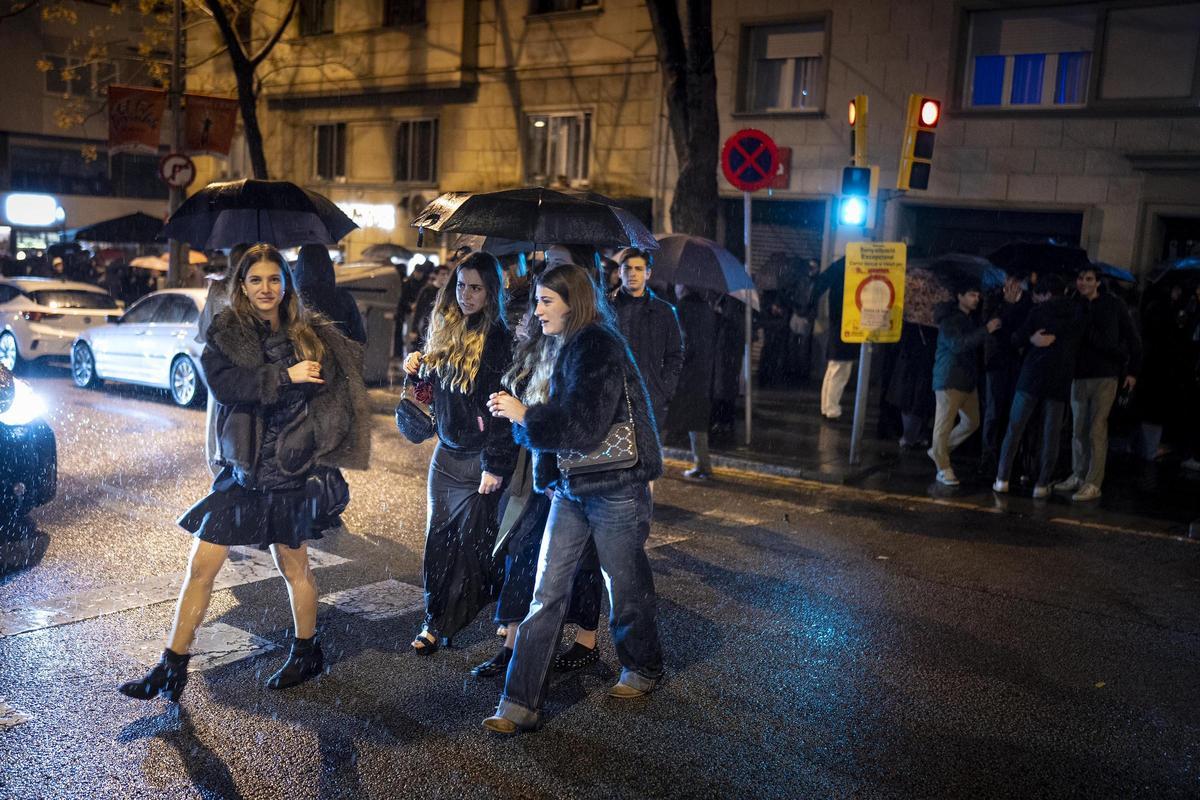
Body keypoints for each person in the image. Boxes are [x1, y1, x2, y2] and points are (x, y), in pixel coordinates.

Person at [117, 244, 370, 702]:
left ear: (286, 284)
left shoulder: (309, 334)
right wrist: (283, 377)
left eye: (274, 279)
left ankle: (307, 650)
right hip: (242, 470)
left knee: (294, 567)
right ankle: (172, 666)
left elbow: (331, 403)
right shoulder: (226, 334)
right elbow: (225, 385)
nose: (266, 288)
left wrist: (312, 439)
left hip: (288, 471)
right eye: (256, 280)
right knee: (201, 568)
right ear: (241, 285)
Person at [483, 263, 664, 734]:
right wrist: (523, 415)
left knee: (622, 584)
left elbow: (584, 427)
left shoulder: (597, 344)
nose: (537, 310)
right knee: (546, 593)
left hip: (614, 486)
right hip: (569, 487)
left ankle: (642, 666)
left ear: (573, 303)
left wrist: (526, 415)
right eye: (537, 300)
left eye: (547, 301)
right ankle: (518, 702)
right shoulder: (554, 345)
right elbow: (553, 424)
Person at [402, 251, 517, 654]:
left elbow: (503, 408)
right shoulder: (443, 327)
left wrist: (496, 464)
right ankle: (433, 621)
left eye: (476, 288)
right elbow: (427, 391)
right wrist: (415, 366)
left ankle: (500, 609)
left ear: (491, 292)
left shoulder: (499, 338)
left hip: (480, 458)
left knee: (476, 547)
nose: (466, 295)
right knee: (439, 542)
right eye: (461, 285)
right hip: (446, 455)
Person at [1053, 267, 1142, 501]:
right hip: (1079, 374)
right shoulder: (1075, 304)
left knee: (1096, 428)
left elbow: (1132, 338)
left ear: (1098, 283)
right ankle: (1079, 473)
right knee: (1078, 428)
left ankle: (1094, 481)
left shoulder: (1113, 305)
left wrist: (1132, 370)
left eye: (1089, 279)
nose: (1083, 283)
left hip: (1105, 375)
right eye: (1080, 278)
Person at [993, 274, 1081, 497]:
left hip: (1031, 377)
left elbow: (1016, 339)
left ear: (1048, 294)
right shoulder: (1076, 316)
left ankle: (1002, 478)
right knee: (1051, 435)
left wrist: (1032, 340)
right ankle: (1041, 484)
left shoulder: (1039, 312)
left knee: (1015, 428)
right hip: (1060, 380)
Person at [929, 279, 1002, 486]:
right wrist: (986, 330)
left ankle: (938, 450)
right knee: (943, 426)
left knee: (972, 421)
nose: (976, 299)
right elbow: (958, 344)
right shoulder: (950, 320)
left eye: (977, 296)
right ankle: (943, 468)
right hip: (950, 378)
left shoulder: (969, 319)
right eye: (971, 295)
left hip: (966, 380)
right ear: (960, 297)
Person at [197, 243, 251, 477]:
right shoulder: (252, 289)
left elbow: (203, 330)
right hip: (246, 368)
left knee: (217, 422)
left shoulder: (218, 289)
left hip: (222, 368)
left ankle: (221, 468)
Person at [981, 274, 1032, 471]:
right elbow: (991, 325)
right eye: (1010, 279)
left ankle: (1009, 458)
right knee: (993, 410)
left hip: (1016, 362)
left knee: (1014, 411)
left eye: (1017, 280)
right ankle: (988, 457)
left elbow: (1024, 329)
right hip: (996, 361)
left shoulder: (1028, 301)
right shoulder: (994, 298)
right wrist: (1007, 305)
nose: (1013, 284)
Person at [670, 285, 719, 480]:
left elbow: (684, 341)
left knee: (662, 419)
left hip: (685, 373)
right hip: (703, 371)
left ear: (683, 287)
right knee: (697, 421)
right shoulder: (707, 308)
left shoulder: (681, 308)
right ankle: (703, 464)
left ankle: (649, 464)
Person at [808, 259, 858, 419]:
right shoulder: (849, 266)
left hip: (839, 322)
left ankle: (827, 407)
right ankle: (831, 409)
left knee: (834, 367)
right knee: (840, 368)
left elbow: (820, 284)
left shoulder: (839, 267)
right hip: (846, 323)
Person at [294, 244, 367, 344]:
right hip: (339, 357)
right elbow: (359, 338)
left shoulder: (294, 299)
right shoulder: (344, 298)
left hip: (304, 357)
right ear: (327, 265)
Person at [408, 264, 450, 348]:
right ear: (436, 275)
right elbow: (418, 310)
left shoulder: (447, 291)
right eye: (442, 274)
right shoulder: (427, 290)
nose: (445, 276)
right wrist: (414, 329)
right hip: (426, 325)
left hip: (442, 327)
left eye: (447, 274)